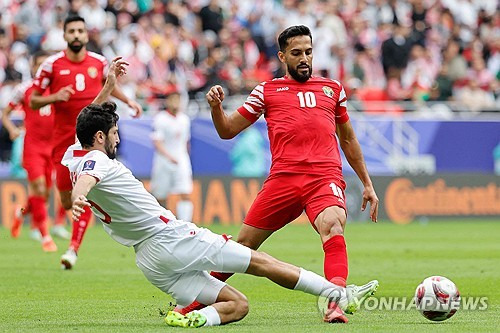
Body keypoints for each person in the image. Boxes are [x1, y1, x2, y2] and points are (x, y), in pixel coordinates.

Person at [64, 58, 379, 327]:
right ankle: (338, 294)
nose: (118, 140)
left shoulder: (74, 153)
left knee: (238, 305)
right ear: (101, 136)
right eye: (115, 134)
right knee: (260, 262)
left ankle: (196, 319)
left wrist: (107, 87)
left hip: (148, 260)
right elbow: (89, 176)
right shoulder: (95, 161)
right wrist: (79, 195)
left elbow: (87, 123)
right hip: (170, 238)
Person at [182, 25, 380, 324]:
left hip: (323, 177)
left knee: (333, 225)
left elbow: (348, 139)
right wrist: (216, 108)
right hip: (283, 179)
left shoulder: (332, 89)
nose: (304, 59)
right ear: (282, 56)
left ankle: (335, 302)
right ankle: (195, 302)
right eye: (297, 53)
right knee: (243, 246)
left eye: (309, 52)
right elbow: (227, 130)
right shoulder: (267, 90)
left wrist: (366, 182)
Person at [29, 16, 143, 269]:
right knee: (67, 201)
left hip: (91, 138)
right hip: (62, 141)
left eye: (81, 30)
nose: (77, 35)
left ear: (86, 34)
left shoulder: (99, 61)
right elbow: (33, 101)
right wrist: (55, 97)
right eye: (72, 31)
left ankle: (73, 249)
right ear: (65, 34)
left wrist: (129, 101)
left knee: (87, 188)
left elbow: (109, 86)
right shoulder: (51, 65)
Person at [1, 50, 69, 251]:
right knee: (39, 187)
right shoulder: (25, 89)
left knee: (44, 193)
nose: (40, 69)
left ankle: (20, 213)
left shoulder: (58, 90)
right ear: (32, 67)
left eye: (43, 65)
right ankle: (45, 235)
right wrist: (13, 129)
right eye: (37, 65)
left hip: (53, 147)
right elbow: (5, 114)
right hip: (32, 146)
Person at [150, 90, 193, 221]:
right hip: (163, 161)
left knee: (185, 192)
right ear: (167, 102)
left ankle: (186, 224)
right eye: (173, 99)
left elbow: (186, 142)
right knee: (160, 195)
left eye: (178, 99)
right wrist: (169, 157)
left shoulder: (184, 119)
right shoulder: (160, 118)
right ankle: (161, 223)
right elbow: (157, 142)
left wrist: (185, 157)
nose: (176, 103)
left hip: (181, 160)